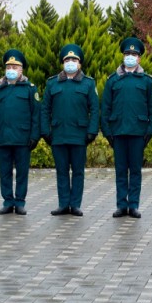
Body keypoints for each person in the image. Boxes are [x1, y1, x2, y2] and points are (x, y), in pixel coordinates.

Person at [101, 37, 152, 219]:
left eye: (134, 54)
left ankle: (133, 205)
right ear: (123, 56)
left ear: (139, 58)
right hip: (118, 132)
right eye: (127, 54)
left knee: (135, 171)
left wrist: (149, 133)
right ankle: (121, 205)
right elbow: (106, 108)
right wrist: (108, 133)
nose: (130, 57)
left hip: (138, 132)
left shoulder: (147, 81)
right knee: (120, 170)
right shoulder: (113, 80)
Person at [41, 44, 99, 217]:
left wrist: (92, 131)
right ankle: (63, 204)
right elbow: (45, 109)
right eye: (67, 60)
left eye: (74, 60)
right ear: (62, 63)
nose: (70, 62)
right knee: (61, 171)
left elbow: (95, 109)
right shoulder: (52, 83)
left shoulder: (88, 83)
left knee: (78, 172)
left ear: (79, 64)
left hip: (79, 135)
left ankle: (75, 205)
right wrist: (46, 131)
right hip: (58, 134)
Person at [0, 49, 40, 215]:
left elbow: (36, 115)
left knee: (22, 173)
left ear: (21, 69)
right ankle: (8, 201)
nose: (11, 70)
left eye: (15, 67)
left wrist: (34, 136)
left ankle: (20, 202)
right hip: (3, 137)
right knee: (5, 172)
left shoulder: (30, 89)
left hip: (23, 139)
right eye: (8, 66)